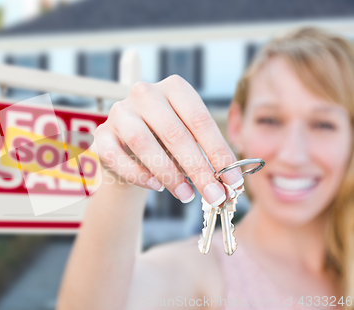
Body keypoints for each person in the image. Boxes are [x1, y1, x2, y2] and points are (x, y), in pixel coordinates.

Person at [57, 27, 354, 309]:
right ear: (237, 126)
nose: (293, 154)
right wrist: (122, 180)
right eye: (270, 120)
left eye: (323, 124)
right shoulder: (202, 272)